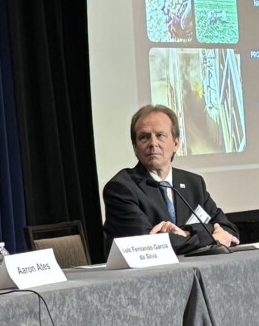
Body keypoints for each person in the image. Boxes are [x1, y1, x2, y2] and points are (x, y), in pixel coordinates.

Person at [102, 104, 239, 254]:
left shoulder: (193, 183)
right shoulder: (121, 188)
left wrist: (187, 232)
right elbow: (148, 245)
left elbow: (229, 231)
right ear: (135, 147)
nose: (153, 143)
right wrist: (209, 238)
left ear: (176, 143)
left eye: (160, 135)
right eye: (144, 137)